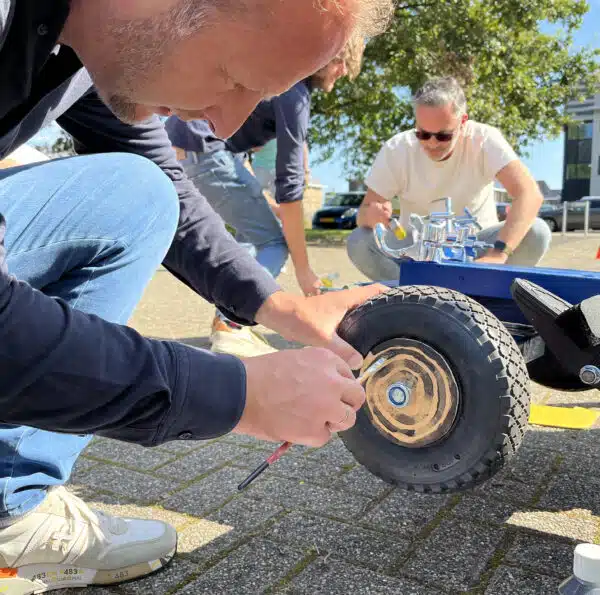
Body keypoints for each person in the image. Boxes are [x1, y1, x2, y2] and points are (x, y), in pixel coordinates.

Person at [0, 0, 393, 591]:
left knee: (137, 192)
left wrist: (280, 306)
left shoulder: (91, 43)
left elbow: (165, 180)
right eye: (234, 78)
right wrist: (236, 393)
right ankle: (13, 514)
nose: (226, 127)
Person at [165, 38, 364, 358]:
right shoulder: (295, 93)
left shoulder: (276, 75)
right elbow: (290, 184)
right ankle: (231, 324)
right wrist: (304, 271)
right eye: (342, 64)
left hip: (187, 150)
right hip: (206, 153)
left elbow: (240, 150)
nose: (341, 73)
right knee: (273, 243)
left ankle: (230, 313)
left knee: (249, 237)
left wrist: (264, 204)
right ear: (328, 57)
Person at [346, 76, 552, 282]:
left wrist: (498, 254)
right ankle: (414, 291)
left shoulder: (484, 139)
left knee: (537, 231)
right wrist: (370, 216)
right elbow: (363, 214)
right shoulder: (396, 148)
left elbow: (529, 194)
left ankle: (483, 287)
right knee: (359, 241)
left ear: (462, 122)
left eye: (443, 136)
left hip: (475, 249)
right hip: (415, 251)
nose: (432, 143)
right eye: (423, 134)